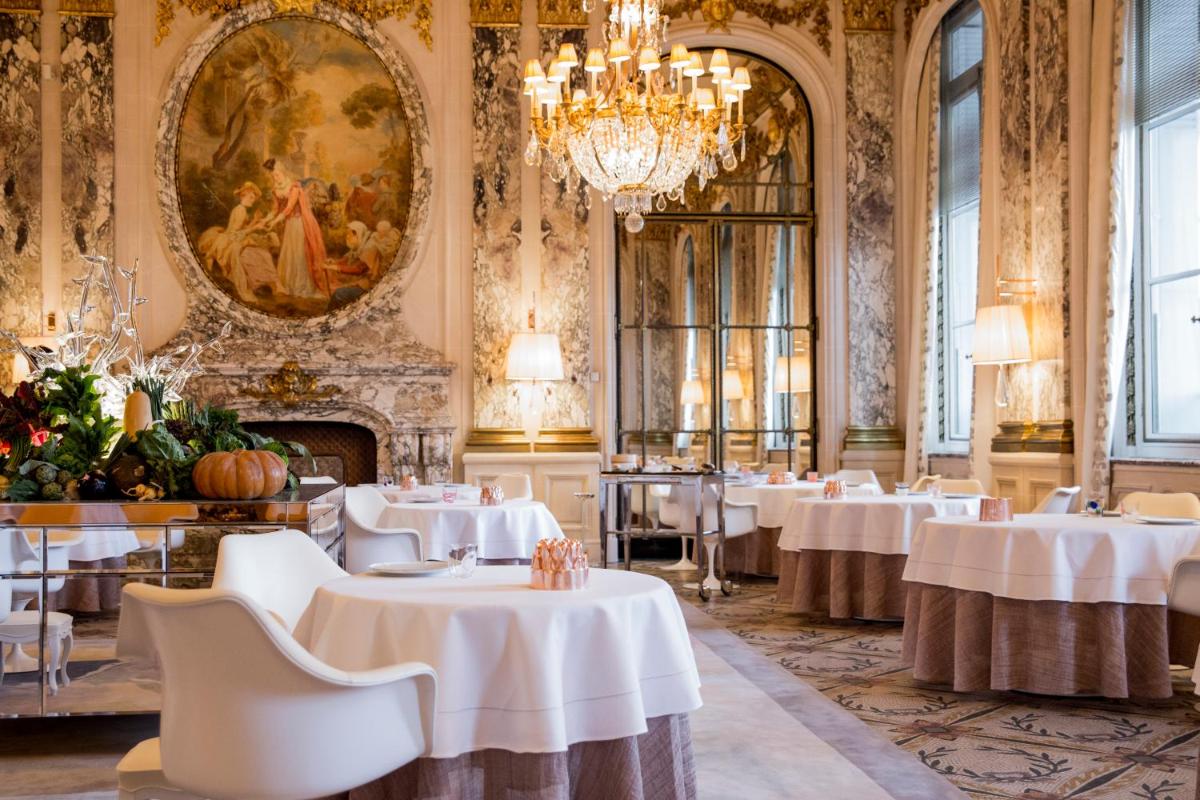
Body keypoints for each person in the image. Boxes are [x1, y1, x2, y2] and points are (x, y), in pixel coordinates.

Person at [264, 158, 328, 300]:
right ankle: (288, 286)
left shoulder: (294, 188)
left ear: (283, 173)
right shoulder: (276, 191)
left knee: (299, 252)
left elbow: (288, 209)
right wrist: (266, 219)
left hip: (299, 223)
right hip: (289, 225)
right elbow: (274, 209)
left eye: (278, 174)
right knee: (289, 252)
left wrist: (274, 223)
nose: (276, 177)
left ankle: (301, 286)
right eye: (273, 175)